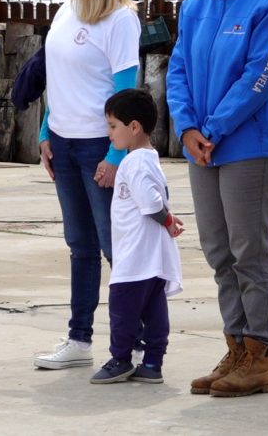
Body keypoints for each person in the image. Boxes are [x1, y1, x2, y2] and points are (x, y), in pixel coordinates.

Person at [166, 0, 268, 398]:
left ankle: (259, 355)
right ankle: (235, 346)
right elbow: (177, 69)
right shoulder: (196, 5)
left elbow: (259, 79)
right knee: (220, 252)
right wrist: (187, 129)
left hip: (249, 148)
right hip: (203, 147)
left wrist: (213, 129)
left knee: (249, 251)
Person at [33, 0, 141, 370]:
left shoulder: (120, 19)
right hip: (63, 141)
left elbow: (126, 95)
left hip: (100, 146)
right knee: (79, 244)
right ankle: (80, 338)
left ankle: (133, 339)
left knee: (116, 246)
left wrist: (117, 156)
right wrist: (44, 132)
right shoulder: (64, 9)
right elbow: (55, 79)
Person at [89, 89, 184, 385]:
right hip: (153, 257)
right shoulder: (149, 158)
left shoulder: (134, 162)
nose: (109, 133)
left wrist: (167, 219)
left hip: (135, 256)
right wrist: (167, 218)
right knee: (154, 309)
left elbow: (151, 203)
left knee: (122, 309)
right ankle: (153, 362)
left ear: (134, 127)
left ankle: (121, 359)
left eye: (113, 126)